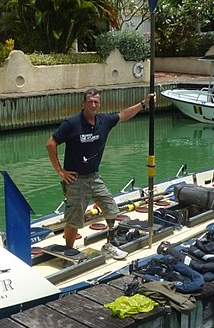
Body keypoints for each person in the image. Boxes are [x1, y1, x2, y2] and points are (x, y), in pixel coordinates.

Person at [46, 87, 155, 260]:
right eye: (90, 102)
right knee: (74, 221)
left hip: (94, 177)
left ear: (99, 104)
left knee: (111, 209)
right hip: (75, 179)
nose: (93, 104)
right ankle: (69, 252)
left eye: (96, 102)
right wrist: (60, 171)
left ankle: (109, 244)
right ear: (84, 104)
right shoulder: (72, 123)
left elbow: (124, 115)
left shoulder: (104, 121)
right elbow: (51, 144)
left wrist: (143, 104)